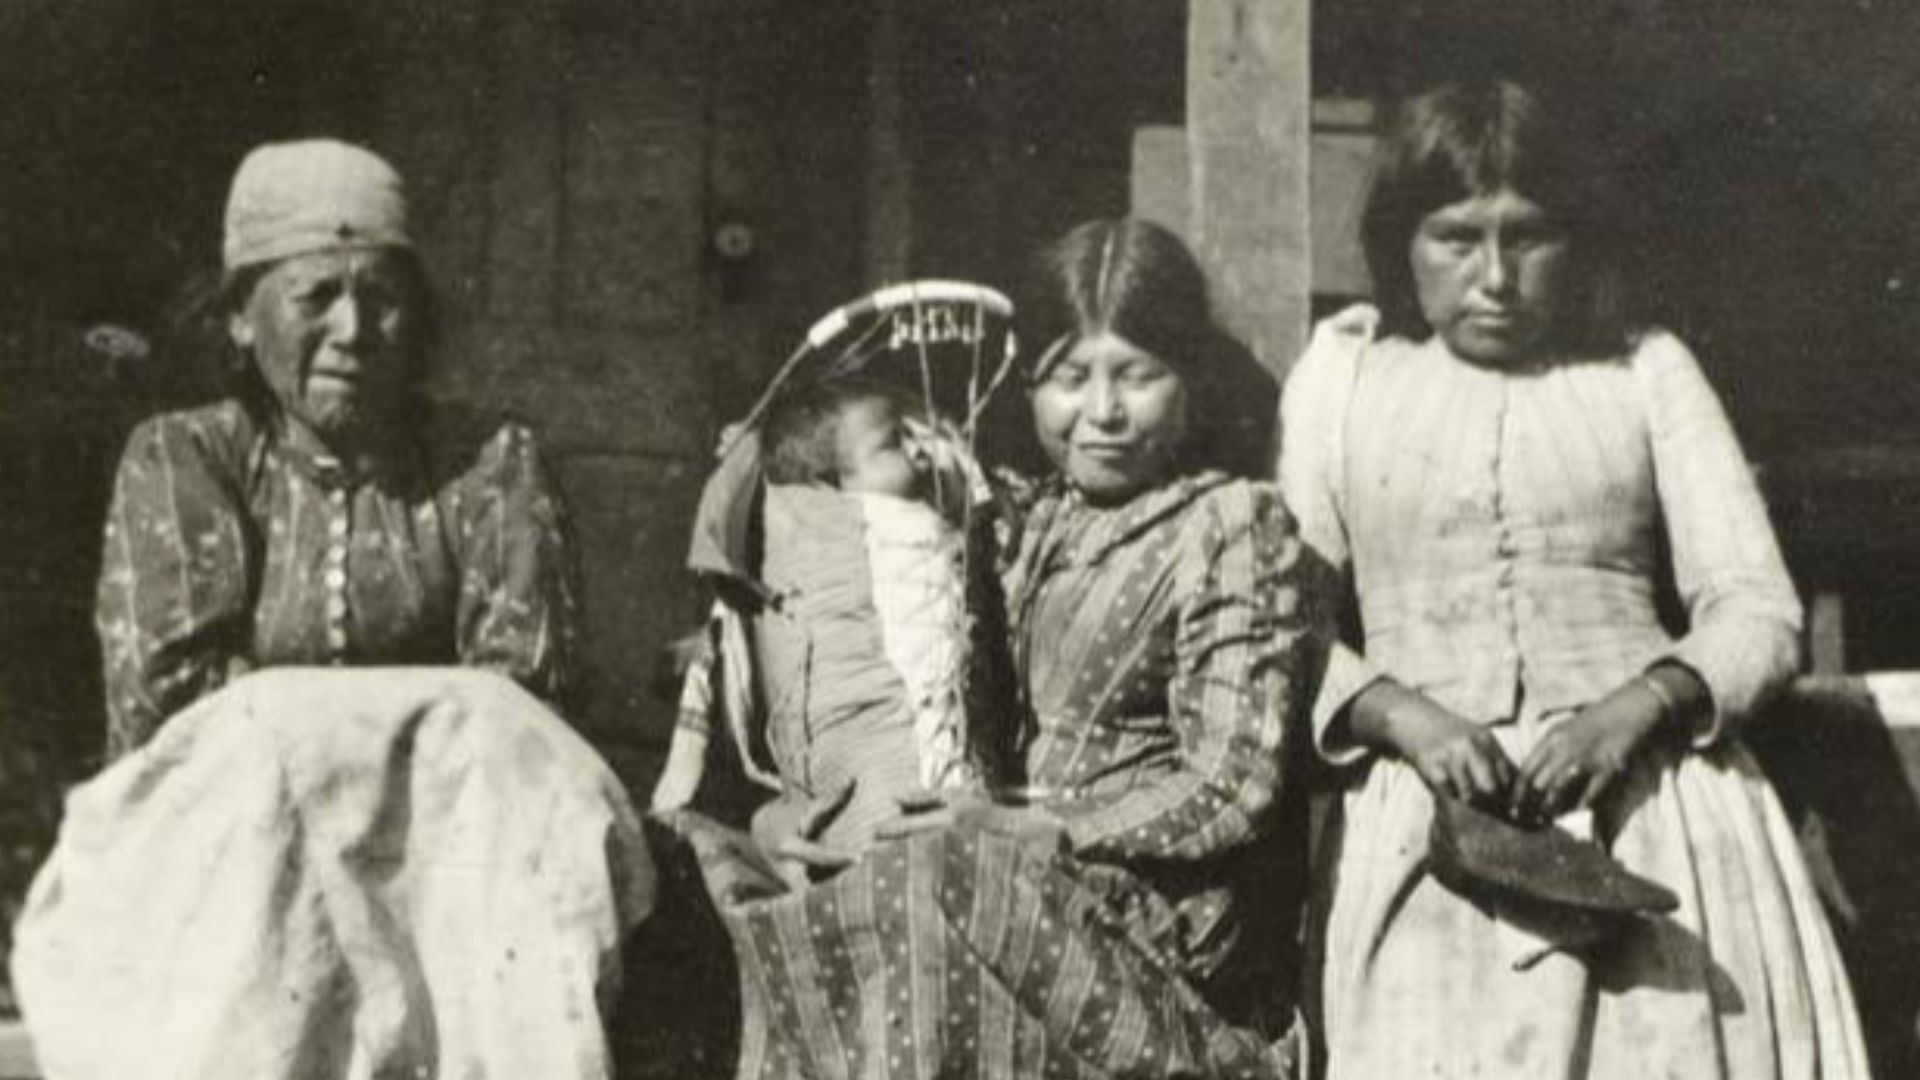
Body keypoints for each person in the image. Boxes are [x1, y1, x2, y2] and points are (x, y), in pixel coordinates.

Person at [13, 139, 652, 1080]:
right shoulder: (184, 459)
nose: (355, 328)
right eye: (316, 296)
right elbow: (174, 724)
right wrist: (415, 725)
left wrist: (307, 720)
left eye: (383, 296)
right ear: (239, 316)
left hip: (441, 884)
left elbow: (524, 718)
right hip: (235, 883)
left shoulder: (491, 466)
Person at [1281, 80, 1870, 1079]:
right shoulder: (1346, 376)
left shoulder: (1644, 372)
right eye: (1457, 239)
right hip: (1425, 828)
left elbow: (1757, 609)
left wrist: (1641, 706)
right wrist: (1401, 716)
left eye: (1531, 236)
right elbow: (1278, 620)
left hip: (1657, 818)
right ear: (1402, 243)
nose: (1497, 277)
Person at [661, 217, 1320, 1079]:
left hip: (1157, 920)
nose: (1103, 412)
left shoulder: (1230, 525)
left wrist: (1035, 827)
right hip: (994, 865)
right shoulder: (1019, 523)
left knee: (920, 885)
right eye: (1069, 378)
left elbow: (1232, 784)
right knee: (773, 875)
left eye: (1139, 374)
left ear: (1189, 377)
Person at [652, 375, 1004, 853]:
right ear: (825, 482)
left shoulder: (942, 531)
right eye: (892, 444)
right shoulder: (819, 547)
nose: (921, 454)